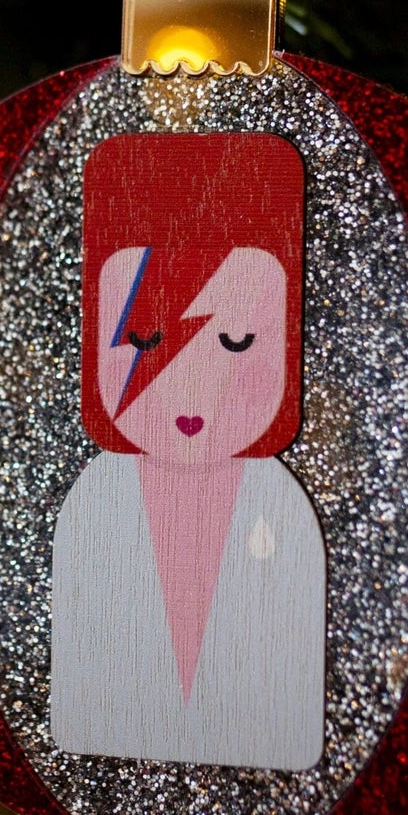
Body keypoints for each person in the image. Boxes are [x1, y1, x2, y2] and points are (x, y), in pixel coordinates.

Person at [49, 131, 326, 769]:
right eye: (146, 345)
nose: (190, 395)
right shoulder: (95, 503)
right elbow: (88, 688)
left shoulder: (281, 504)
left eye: (235, 343)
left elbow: (285, 700)